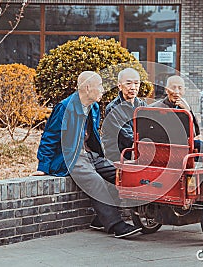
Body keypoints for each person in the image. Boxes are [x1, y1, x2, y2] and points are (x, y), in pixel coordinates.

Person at [31, 71, 142, 238]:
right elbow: (49, 137)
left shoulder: (94, 106)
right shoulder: (65, 107)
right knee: (96, 181)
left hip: (91, 155)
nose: (103, 90)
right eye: (100, 86)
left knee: (121, 174)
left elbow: (92, 135)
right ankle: (116, 225)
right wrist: (43, 166)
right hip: (71, 157)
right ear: (88, 88)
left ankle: (100, 219)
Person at [102, 68, 147, 162]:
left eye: (136, 83)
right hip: (119, 156)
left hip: (137, 153)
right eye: (128, 83)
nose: (133, 87)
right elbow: (127, 136)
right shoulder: (113, 108)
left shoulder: (142, 105)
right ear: (119, 86)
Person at [150, 75, 203, 152]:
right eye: (173, 87)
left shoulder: (185, 107)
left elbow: (196, 133)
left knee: (199, 143)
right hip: (164, 146)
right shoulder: (156, 108)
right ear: (166, 90)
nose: (176, 92)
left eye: (180, 88)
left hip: (180, 145)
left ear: (184, 91)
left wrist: (188, 111)